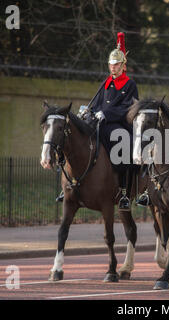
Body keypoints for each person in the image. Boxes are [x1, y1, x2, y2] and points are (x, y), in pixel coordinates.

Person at [57, 32, 139, 210]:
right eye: (111, 64)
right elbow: (96, 103)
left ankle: (124, 191)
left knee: (121, 144)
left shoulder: (130, 84)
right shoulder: (106, 83)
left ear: (123, 66)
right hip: (101, 123)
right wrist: (89, 111)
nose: (113, 67)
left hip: (119, 125)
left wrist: (106, 114)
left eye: (116, 64)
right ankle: (69, 185)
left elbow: (127, 108)